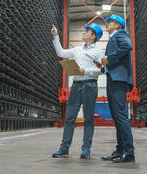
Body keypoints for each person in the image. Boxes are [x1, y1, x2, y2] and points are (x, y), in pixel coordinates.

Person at [51, 23, 105, 159]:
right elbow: (60, 53)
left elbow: (101, 70)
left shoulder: (99, 52)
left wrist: (84, 71)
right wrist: (55, 36)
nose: (84, 33)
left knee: (88, 119)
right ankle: (64, 148)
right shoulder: (77, 50)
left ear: (93, 36)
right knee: (69, 117)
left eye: (87, 32)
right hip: (75, 86)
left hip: (90, 85)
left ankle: (86, 149)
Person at [98, 14, 135, 163]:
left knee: (120, 116)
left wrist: (109, 58)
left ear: (118, 25)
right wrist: (103, 66)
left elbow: (128, 46)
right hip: (113, 78)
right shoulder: (113, 38)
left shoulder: (120, 34)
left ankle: (129, 152)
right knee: (117, 117)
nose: (107, 24)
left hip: (118, 79)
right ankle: (120, 150)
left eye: (110, 22)